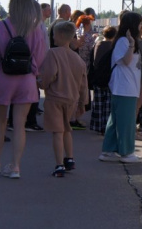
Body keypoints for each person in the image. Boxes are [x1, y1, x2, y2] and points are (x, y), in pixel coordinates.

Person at [0, 0, 47, 178]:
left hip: (4, 78)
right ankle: (15, 166)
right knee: (19, 124)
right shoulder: (35, 29)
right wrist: (34, 72)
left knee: (0, 122)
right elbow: (41, 57)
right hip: (26, 80)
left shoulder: (0, 27)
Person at [38, 21, 89, 177]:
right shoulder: (77, 59)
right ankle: (70, 158)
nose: (52, 38)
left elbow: (50, 74)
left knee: (57, 132)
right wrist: (83, 102)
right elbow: (83, 84)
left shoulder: (53, 53)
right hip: (72, 100)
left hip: (55, 98)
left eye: (53, 35)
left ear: (59, 36)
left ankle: (59, 165)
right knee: (67, 129)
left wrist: (41, 84)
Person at [99, 12, 142, 163]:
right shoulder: (124, 41)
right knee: (126, 121)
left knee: (116, 120)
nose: (141, 26)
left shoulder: (124, 40)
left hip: (125, 86)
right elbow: (125, 60)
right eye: (139, 23)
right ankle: (126, 152)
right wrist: (131, 44)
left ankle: (108, 151)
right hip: (124, 86)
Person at [89, 25, 116, 134]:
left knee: (98, 103)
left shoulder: (97, 44)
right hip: (109, 77)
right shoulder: (112, 47)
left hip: (97, 76)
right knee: (108, 103)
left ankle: (97, 124)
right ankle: (106, 126)